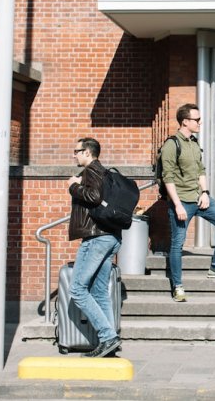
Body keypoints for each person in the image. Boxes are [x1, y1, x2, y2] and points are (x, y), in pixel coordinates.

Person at [162, 103, 215, 303]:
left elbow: (200, 170)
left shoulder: (194, 143)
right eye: (197, 120)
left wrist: (205, 193)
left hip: (199, 198)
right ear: (185, 121)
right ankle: (178, 286)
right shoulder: (171, 144)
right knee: (177, 244)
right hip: (181, 201)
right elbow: (168, 177)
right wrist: (177, 205)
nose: (200, 123)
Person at [67, 137, 122, 358]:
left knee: (77, 289)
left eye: (77, 151)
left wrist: (73, 186)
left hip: (96, 238)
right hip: (111, 237)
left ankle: (108, 336)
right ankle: (110, 340)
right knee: (99, 292)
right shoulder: (105, 172)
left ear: (87, 153)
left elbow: (93, 196)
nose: (74, 155)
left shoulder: (91, 171)